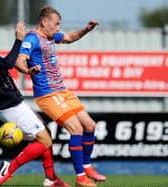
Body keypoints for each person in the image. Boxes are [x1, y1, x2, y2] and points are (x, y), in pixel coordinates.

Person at [0, 18, 70, 187]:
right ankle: (9, 169)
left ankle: (51, 179)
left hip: (10, 105)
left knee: (45, 134)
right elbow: (7, 63)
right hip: (12, 107)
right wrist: (19, 39)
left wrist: (28, 71)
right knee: (45, 141)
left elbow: (1, 69)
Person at [15, 6, 106, 187]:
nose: (58, 28)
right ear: (44, 21)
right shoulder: (32, 38)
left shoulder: (51, 37)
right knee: (76, 129)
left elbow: (70, 38)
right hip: (48, 95)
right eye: (56, 24)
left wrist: (86, 29)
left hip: (63, 91)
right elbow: (19, 60)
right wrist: (28, 70)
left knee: (90, 125)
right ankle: (80, 178)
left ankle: (86, 166)